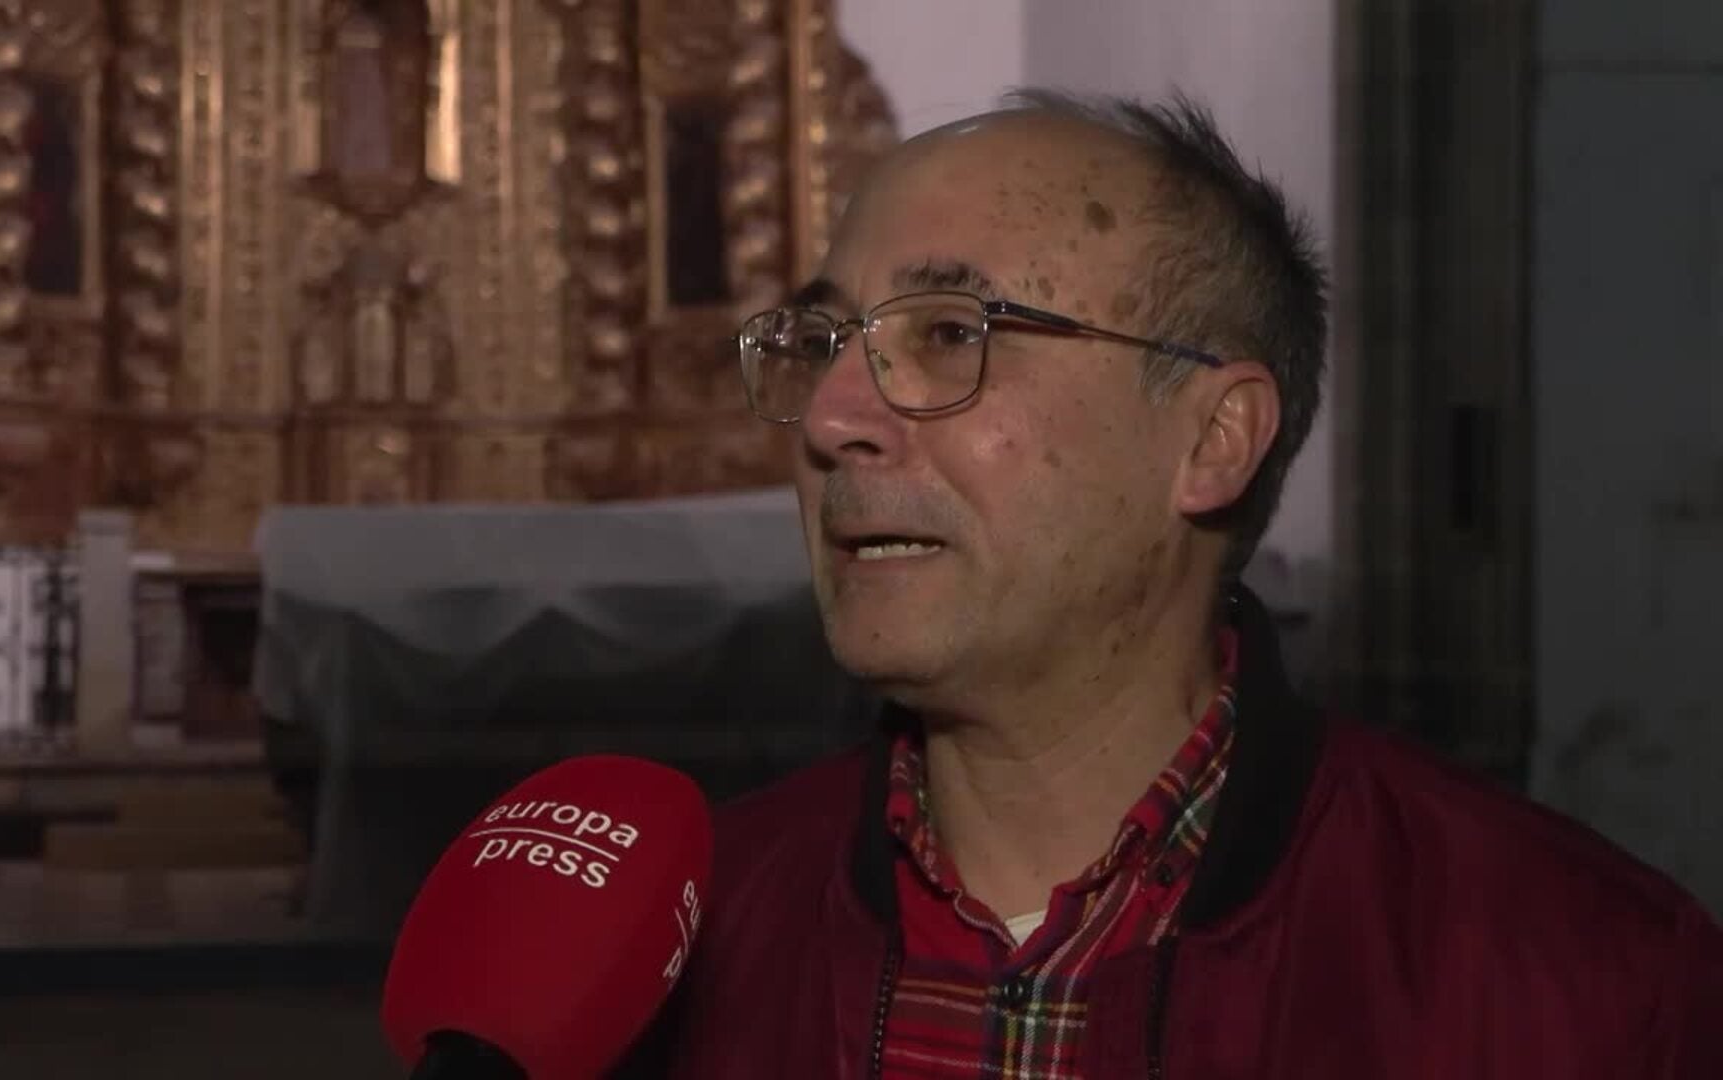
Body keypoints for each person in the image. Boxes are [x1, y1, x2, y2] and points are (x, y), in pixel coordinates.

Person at [627, 89, 1722, 1077]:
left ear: (1213, 440)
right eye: (824, 340)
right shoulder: (666, 948)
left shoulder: (1589, 987)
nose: (830, 417)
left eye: (952, 333)